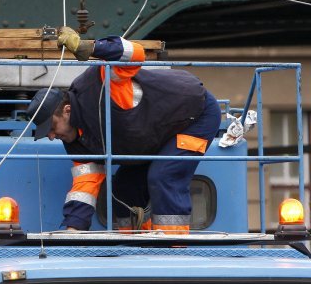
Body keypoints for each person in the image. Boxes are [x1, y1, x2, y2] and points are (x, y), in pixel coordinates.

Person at [27, 27, 221, 233]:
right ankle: (136, 242)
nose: (50, 136)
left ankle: (172, 246)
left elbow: (135, 53)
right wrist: (73, 229)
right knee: (123, 187)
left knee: (164, 175)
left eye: (52, 127)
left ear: (67, 111)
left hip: (195, 115)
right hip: (155, 131)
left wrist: (91, 47)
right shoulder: (76, 142)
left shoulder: (100, 83)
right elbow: (86, 184)